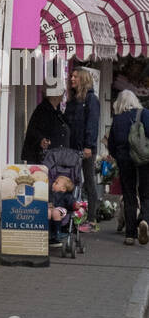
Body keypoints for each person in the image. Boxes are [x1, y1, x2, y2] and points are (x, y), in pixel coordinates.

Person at [108, 89, 149, 246]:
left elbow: (112, 143)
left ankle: (130, 235)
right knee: (145, 194)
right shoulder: (144, 113)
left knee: (129, 195)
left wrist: (118, 156)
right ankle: (144, 219)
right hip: (144, 160)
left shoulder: (118, 119)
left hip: (125, 161)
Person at [65, 67, 100, 228]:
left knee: (89, 180)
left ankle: (92, 218)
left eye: (75, 76)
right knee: (71, 180)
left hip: (86, 149)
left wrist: (89, 146)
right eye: (71, 76)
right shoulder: (73, 101)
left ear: (83, 79)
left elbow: (92, 124)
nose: (72, 78)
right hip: (72, 148)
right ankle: (71, 214)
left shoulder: (91, 99)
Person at [22, 86, 70, 164]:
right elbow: (34, 131)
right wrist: (41, 140)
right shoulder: (43, 110)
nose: (63, 93)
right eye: (61, 91)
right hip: (45, 160)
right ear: (54, 95)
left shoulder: (56, 111)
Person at [48, 173, 75, 247]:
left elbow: (70, 203)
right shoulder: (50, 194)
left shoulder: (67, 196)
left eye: (56, 183)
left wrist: (74, 205)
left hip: (62, 210)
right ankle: (48, 232)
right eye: (54, 182)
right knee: (48, 212)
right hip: (51, 209)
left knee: (55, 212)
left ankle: (58, 232)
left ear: (63, 189)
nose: (53, 184)